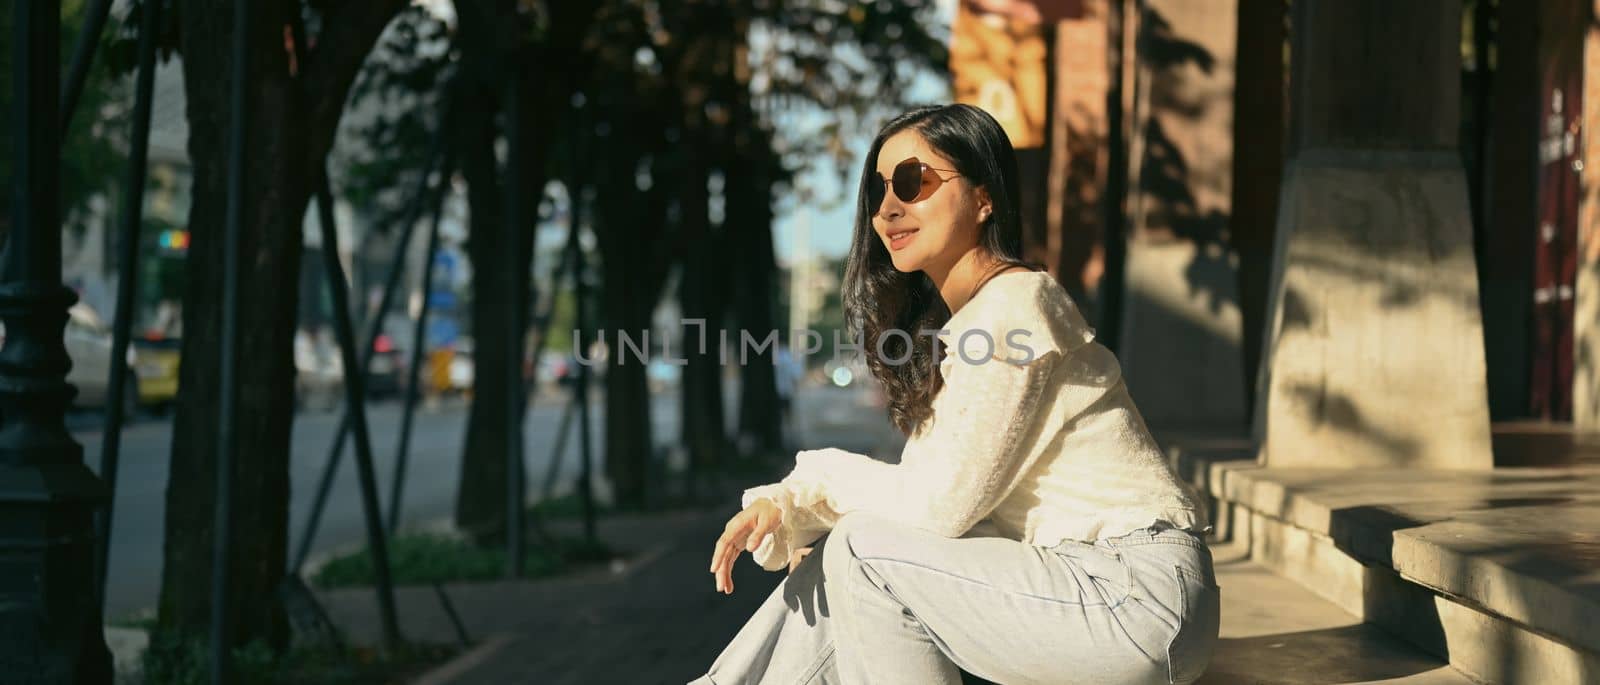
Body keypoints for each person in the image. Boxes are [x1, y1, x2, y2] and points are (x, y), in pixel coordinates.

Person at [691, 103, 1219, 685]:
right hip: (1094, 593)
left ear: (984, 197)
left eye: (913, 182)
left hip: (1132, 598)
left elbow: (936, 509)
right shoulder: (972, 326)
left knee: (862, 551)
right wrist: (802, 512)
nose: (888, 209)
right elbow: (928, 512)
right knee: (850, 554)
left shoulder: (1016, 307)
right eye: (878, 190)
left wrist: (805, 491)